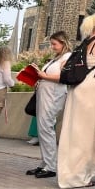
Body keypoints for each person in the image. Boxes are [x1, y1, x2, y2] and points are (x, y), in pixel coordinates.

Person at [38, 12, 95, 188]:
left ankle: (72, 172)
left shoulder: (85, 43)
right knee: (91, 132)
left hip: (79, 88)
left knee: (76, 132)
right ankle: (79, 175)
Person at [26, 31, 71, 178]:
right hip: (45, 95)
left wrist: (43, 75)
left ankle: (51, 165)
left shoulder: (67, 57)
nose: (52, 47)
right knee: (43, 128)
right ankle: (45, 162)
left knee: (47, 127)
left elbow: (65, 77)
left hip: (54, 95)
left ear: (63, 43)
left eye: (54, 44)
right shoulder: (55, 58)